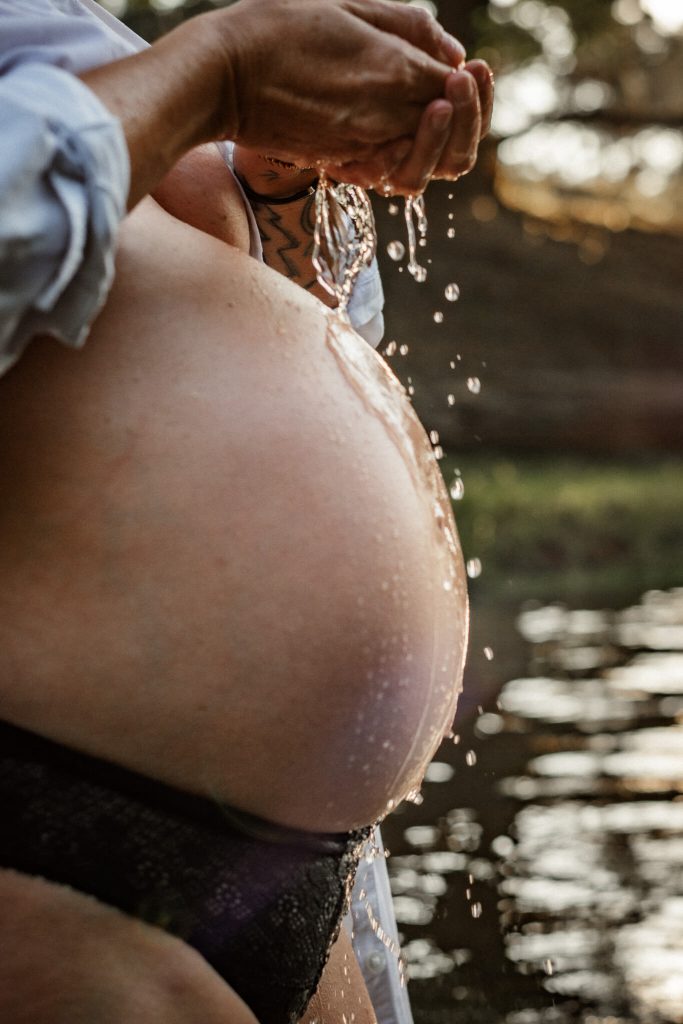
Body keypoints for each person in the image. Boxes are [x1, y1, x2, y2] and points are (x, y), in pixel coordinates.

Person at [0, 1, 493, 1021]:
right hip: (42, 808)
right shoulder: (164, 60)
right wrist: (218, 70)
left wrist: (278, 171)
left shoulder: (77, 28)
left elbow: (299, 315)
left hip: (295, 870)